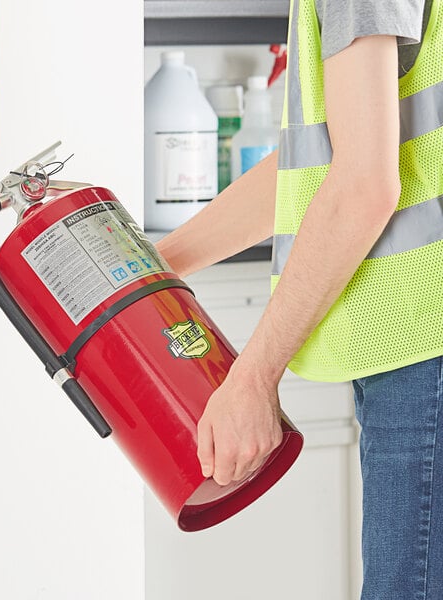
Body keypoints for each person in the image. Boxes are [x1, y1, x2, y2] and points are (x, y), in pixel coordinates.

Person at [156, 0, 443, 597]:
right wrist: (155, 267)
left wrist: (253, 379)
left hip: (424, 348)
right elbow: (317, 165)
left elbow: (363, 187)